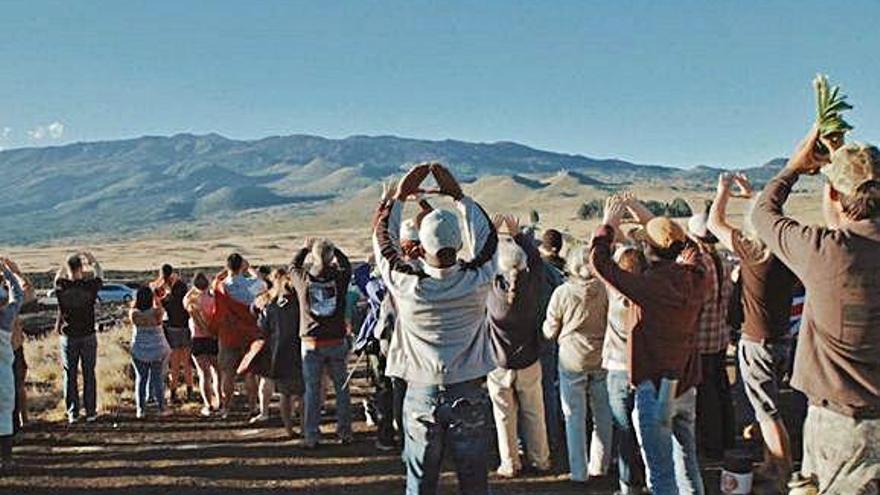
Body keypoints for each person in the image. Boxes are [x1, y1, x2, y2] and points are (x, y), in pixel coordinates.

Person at [750, 130, 880, 493]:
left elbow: (762, 215)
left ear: (834, 195)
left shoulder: (825, 251)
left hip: (840, 426)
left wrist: (792, 168)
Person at [373, 162, 498, 494]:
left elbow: (383, 239)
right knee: (474, 482)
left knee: (420, 482)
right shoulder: (478, 278)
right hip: (468, 389)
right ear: (458, 245)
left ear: (421, 247)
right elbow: (488, 235)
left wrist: (397, 199)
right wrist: (458, 196)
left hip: (421, 390)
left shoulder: (406, 283)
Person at [591, 194, 706, 495]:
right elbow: (691, 248)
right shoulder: (696, 278)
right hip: (686, 382)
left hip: (654, 389)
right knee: (688, 463)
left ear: (647, 249)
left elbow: (599, 263)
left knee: (661, 475)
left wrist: (609, 225)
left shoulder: (648, 286)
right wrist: (648, 217)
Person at [707, 172, 799, 490]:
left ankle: (782, 471)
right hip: (781, 338)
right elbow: (768, 217)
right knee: (769, 405)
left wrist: (723, 192)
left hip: (756, 340)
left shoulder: (751, 250)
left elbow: (714, 222)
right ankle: (772, 462)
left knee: (766, 412)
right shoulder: (786, 251)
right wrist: (753, 197)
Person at [486, 216, 551, 478]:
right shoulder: (534, 285)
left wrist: (490, 235)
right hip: (529, 360)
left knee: (504, 417)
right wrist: (518, 234)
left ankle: (510, 463)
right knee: (535, 413)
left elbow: (481, 261)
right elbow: (536, 261)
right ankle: (541, 459)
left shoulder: (491, 292)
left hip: (499, 363)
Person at [543, 244, 612, 483]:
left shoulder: (562, 293)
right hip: (601, 356)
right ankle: (600, 466)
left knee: (574, 417)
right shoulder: (606, 290)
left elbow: (550, 330)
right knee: (602, 415)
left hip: (572, 359)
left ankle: (579, 472)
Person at [289, 237, 353, 448]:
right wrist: (336, 250)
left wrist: (305, 248)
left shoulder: (303, 280)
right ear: (331, 256)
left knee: (312, 390)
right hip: (336, 340)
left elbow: (292, 267)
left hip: (311, 342)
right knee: (341, 388)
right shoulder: (341, 278)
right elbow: (347, 266)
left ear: (314, 256)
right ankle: (344, 432)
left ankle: (312, 435)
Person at [687, 212, 736, 460]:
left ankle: (712, 444)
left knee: (706, 396)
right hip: (720, 335)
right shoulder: (725, 261)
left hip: (700, 340)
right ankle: (728, 436)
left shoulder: (698, 264)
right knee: (722, 388)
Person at [601, 245, 649, 495]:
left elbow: (598, 263)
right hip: (646, 368)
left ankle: (629, 484)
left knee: (624, 430)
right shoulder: (651, 295)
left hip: (618, 367)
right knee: (648, 428)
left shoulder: (614, 295)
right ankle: (654, 479)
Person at [212, 253, 264, 418]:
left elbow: (215, 280)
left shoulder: (220, 286)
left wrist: (227, 271)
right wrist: (250, 270)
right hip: (250, 333)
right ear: (242, 266)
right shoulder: (252, 284)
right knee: (251, 372)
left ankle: (226, 408)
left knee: (228, 373)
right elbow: (263, 283)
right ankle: (253, 407)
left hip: (228, 333)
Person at [55, 251, 103, 424]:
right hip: (88, 334)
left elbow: (56, 279)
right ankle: (91, 411)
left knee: (70, 374)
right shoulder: (89, 286)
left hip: (69, 336)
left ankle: (73, 412)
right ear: (81, 268)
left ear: (68, 269)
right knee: (89, 373)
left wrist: (63, 265)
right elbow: (100, 275)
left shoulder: (62, 287)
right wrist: (93, 261)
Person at [256, 268, 304, 439]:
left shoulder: (270, 305)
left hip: (278, 352)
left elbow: (262, 328)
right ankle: (305, 427)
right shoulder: (298, 302)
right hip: (298, 350)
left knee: (285, 394)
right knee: (302, 393)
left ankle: (289, 429)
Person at [537, 228, 567, 464]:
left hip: (541, 335)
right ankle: (555, 434)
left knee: (542, 389)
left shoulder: (540, 272)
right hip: (561, 337)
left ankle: (544, 436)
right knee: (552, 388)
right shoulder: (567, 272)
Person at [152, 264, 193, 404]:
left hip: (173, 328)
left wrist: (160, 289)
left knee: (175, 363)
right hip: (185, 328)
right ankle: (189, 390)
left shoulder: (171, 291)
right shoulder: (181, 286)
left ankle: (174, 392)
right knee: (186, 362)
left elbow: (164, 304)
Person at [129, 286, 171, 418]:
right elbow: (161, 309)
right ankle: (161, 407)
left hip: (139, 349)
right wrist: (156, 297)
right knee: (157, 379)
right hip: (157, 350)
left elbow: (133, 311)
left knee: (141, 379)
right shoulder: (157, 313)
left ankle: (140, 409)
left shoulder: (134, 314)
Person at [0, 257, 26, 470]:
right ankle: (6, 459)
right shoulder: (6, 318)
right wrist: (8, 273)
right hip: (4, 373)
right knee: (5, 416)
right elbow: (17, 295)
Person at [185, 272, 220, 417]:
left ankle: (208, 404)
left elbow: (188, 298)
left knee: (203, 374)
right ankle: (221, 400)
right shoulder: (213, 299)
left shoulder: (190, 300)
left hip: (197, 339)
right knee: (217, 372)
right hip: (212, 338)